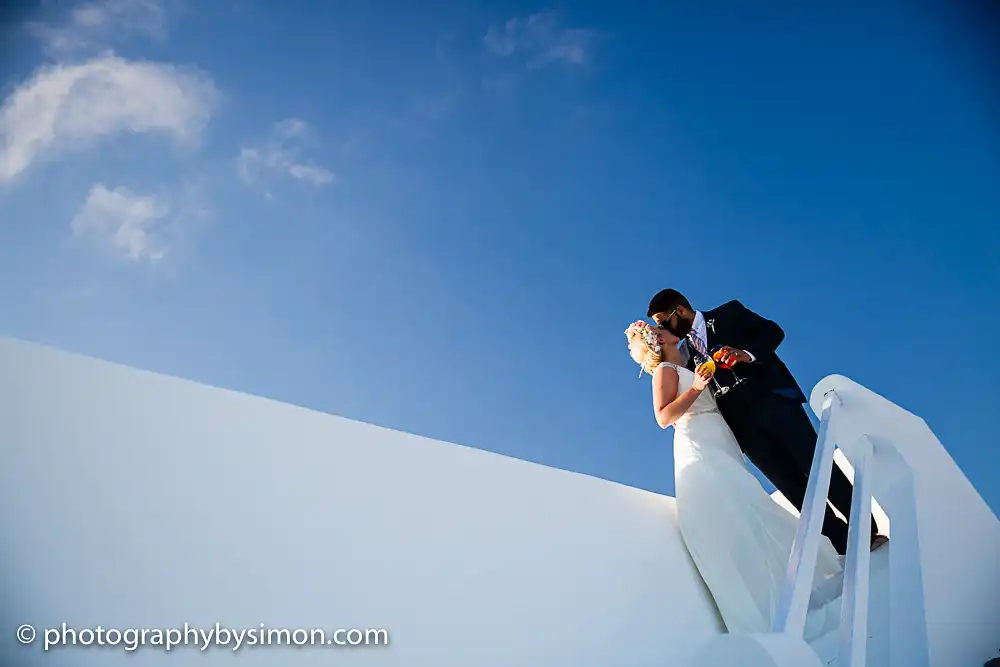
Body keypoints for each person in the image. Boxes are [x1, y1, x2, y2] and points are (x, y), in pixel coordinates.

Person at [625, 320, 844, 635]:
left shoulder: (686, 366)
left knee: (745, 507)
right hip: (698, 442)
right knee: (733, 509)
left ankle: (787, 587)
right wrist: (699, 388)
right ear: (658, 339)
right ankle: (761, 603)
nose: (672, 328)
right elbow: (664, 416)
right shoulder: (665, 372)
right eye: (661, 328)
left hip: (719, 437)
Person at [645, 289, 887, 555]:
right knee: (790, 484)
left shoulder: (729, 312)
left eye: (663, 320)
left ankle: (866, 528)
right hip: (741, 426)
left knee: (815, 463)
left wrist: (744, 354)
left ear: (679, 311)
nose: (661, 327)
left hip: (774, 402)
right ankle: (840, 543)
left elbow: (773, 332)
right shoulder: (683, 354)